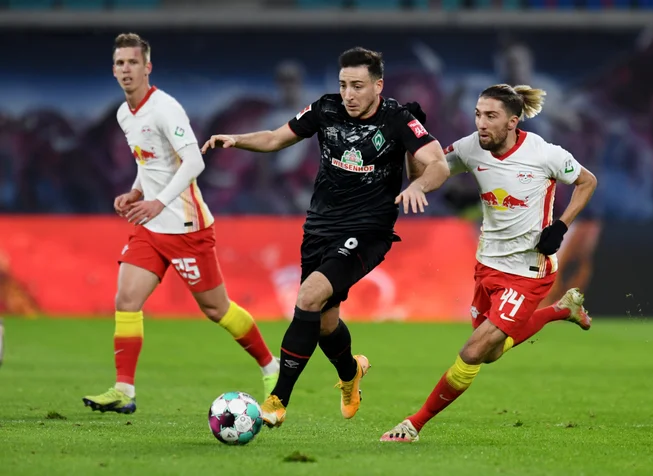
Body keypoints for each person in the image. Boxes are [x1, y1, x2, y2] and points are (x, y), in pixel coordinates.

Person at [202, 47, 451, 428]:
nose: (349, 94)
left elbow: (438, 163)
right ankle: (351, 373)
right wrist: (236, 140)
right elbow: (273, 139)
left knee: (308, 296)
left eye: (358, 86)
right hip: (319, 228)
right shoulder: (325, 109)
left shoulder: (398, 118)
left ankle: (277, 399)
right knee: (324, 321)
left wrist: (419, 185)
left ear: (378, 85)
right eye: (343, 85)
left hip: (368, 231)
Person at [380, 84, 598, 442]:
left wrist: (561, 226)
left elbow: (587, 181)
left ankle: (413, 424)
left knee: (472, 351)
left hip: (529, 271)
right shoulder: (469, 148)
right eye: (478, 114)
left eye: (491, 116)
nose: (481, 123)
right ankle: (562, 311)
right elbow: (423, 177)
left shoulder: (543, 153)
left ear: (513, 121)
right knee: (491, 353)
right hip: (487, 266)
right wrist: (412, 143)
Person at [82, 33, 279, 414]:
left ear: (147, 67)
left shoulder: (165, 108)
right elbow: (149, 162)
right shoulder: (125, 113)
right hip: (151, 227)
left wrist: (158, 201)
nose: (126, 69)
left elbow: (194, 161)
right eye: (120, 63)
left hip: (187, 228)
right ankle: (124, 390)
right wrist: (137, 192)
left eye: (133, 63)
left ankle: (271, 367)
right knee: (126, 299)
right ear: (113, 69)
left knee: (216, 309)